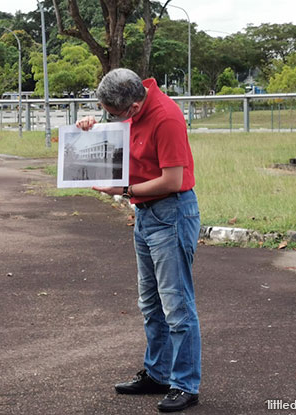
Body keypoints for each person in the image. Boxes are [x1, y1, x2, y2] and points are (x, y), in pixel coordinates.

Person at [76, 68, 201, 413]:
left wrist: (125, 191)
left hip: (171, 212)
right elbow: (109, 143)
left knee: (176, 305)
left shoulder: (166, 118)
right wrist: (90, 127)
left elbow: (173, 180)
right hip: (146, 214)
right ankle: (158, 373)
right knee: (151, 303)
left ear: (132, 106)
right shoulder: (129, 111)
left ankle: (185, 384)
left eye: (113, 114)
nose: (109, 118)